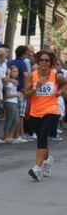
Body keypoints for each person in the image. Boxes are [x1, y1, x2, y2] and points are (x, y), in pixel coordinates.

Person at [24, 50, 67, 181]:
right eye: (41, 60)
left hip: (52, 110)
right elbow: (26, 95)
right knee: (42, 138)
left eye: (46, 60)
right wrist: (36, 87)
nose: (43, 62)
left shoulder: (56, 77)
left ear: (51, 63)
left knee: (42, 136)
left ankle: (37, 168)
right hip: (35, 111)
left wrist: (61, 91)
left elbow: (65, 83)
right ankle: (47, 160)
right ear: (37, 61)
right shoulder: (32, 76)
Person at [7, 46, 29, 143]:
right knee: (20, 114)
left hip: (14, 91)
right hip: (20, 91)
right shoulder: (22, 63)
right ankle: (19, 134)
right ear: (23, 53)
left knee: (14, 116)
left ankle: (14, 135)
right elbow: (26, 75)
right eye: (26, 52)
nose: (27, 54)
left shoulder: (11, 62)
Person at [3, 66, 21, 144]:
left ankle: (10, 136)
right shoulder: (9, 83)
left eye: (16, 72)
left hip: (14, 102)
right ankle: (6, 137)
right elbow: (7, 94)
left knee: (16, 120)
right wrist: (16, 95)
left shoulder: (14, 82)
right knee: (9, 120)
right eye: (13, 71)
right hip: (10, 102)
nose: (15, 73)